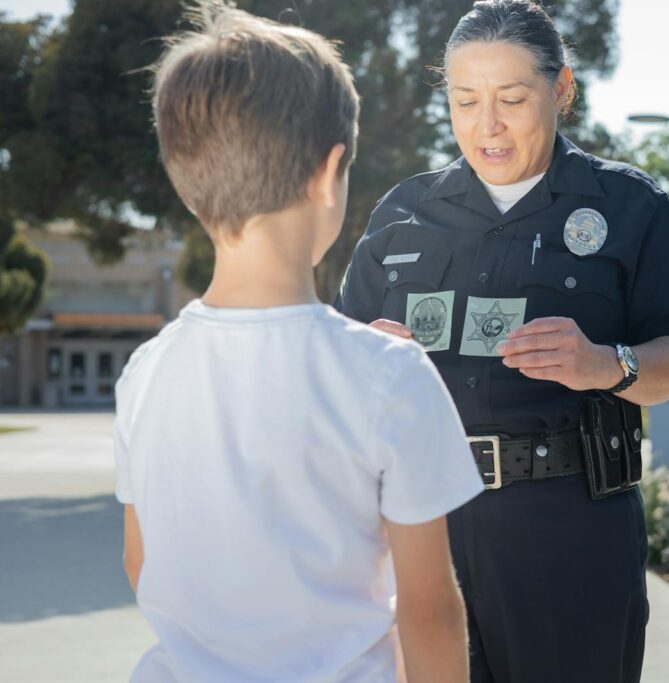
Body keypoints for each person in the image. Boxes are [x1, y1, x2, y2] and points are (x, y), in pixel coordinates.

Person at [337, 1, 669, 680]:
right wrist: (362, 353)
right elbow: (332, 366)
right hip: (422, 528)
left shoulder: (629, 207)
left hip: (569, 532)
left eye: (512, 98)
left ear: (561, 88)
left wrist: (605, 364)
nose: (488, 125)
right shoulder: (401, 213)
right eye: (465, 100)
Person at [114, 4, 483, 681]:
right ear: (329, 170)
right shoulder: (390, 375)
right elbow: (430, 613)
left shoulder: (144, 372)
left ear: (187, 181)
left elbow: (144, 564)